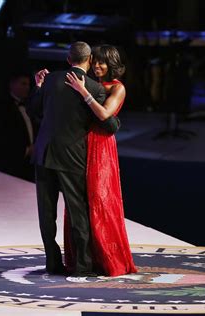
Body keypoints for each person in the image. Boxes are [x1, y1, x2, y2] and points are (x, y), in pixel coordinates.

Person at [29, 42, 121, 277]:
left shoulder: (49, 80)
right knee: (78, 212)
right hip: (73, 157)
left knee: (46, 213)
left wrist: (39, 87)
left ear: (68, 59)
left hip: (44, 154)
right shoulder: (94, 88)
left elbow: (35, 111)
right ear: (89, 60)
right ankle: (82, 266)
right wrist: (115, 122)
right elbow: (107, 124)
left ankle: (53, 263)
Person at [64, 44, 137, 276]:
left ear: (112, 64)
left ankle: (108, 260)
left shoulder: (117, 88)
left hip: (101, 147)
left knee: (101, 199)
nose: (97, 65)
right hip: (81, 143)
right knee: (78, 200)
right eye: (94, 61)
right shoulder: (90, 83)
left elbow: (105, 115)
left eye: (102, 62)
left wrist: (83, 91)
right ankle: (83, 259)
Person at [0, 70, 35, 181]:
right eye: (23, 84)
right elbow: (1, 137)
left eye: (28, 84)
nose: (27, 88)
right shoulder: (2, 107)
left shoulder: (29, 106)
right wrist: (26, 150)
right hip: (9, 166)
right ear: (12, 84)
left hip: (28, 166)